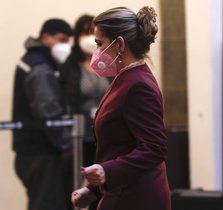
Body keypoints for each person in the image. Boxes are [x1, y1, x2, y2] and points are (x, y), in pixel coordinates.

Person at [71, 6, 171, 210]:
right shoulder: (124, 78)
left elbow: (154, 147)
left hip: (137, 198)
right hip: (123, 192)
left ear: (120, 44)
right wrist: (93, 190)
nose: (96, 51)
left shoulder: (138, 84)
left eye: (100, 44)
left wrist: (105, 171)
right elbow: (121, 145)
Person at [12, 18, 73, 210]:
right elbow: (47, 110)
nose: (65, 46)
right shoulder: (40, 66)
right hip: (41, 151)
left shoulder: (35, 60)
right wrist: (66, 144)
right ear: (45, 37)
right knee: (48, 204)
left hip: (32, 151)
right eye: (61, 39)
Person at [60, 14, 111, 210]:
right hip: (79, 136)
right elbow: (65, 99)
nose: (88, 38)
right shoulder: (71, 66)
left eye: (92, 33)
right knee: (72, 185)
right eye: (84, 33)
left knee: (101, 186)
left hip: (103, 134)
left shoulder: (108, 63)